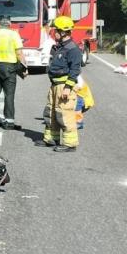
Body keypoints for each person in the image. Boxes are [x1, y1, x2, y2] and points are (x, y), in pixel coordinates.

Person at [40, 15, 83, 152]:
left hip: (64, 86)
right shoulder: (60, 47)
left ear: (63, 32)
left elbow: (75, 69)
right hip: (55, 85)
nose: (53, 32)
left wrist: (68, 87)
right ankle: (52, 139)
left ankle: (70, 144)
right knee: (51, 111)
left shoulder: (72, 49)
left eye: (56, 30)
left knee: (65, 114)